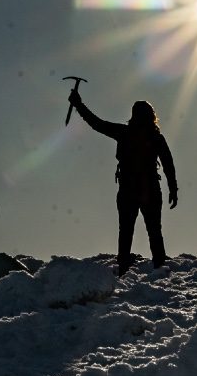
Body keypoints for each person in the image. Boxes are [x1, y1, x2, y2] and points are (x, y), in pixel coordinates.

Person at [68, 88, 178, 276]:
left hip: (129, 189)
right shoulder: (155, 137)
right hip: (150, 189)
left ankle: (123, 268)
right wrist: (173, 189)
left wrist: (78, 104)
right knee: (154, 231)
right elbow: (168, 165)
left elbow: (97, 124)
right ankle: (159, 267)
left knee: (126, 231)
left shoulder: (124, 132)